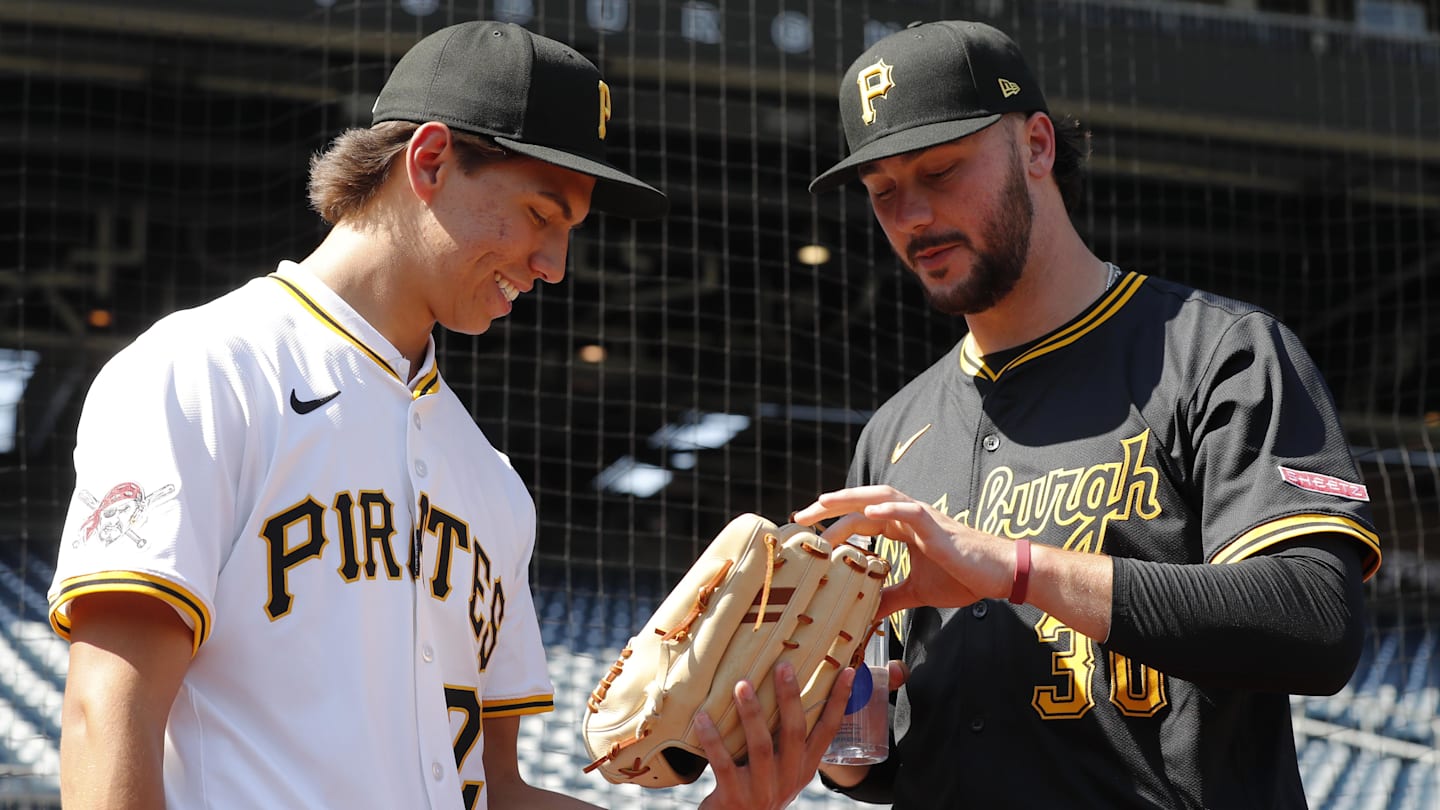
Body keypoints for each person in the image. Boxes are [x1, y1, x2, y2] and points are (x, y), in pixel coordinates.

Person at [48, 21, 849, 810]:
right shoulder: (205, 371)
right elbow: (106, 712)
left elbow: (494, 792)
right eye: (542, 213)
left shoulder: (490, 482)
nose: (554, 265)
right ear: (429, 160)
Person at [797, 20, 1382, 809]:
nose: (913, 215)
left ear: (1037, 146)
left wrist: (1015, 569)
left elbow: (1315, 623)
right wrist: (836, 732)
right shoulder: (893, 435)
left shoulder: (1218, 353)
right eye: (883, 192)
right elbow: (890, 763)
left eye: (940, 170)